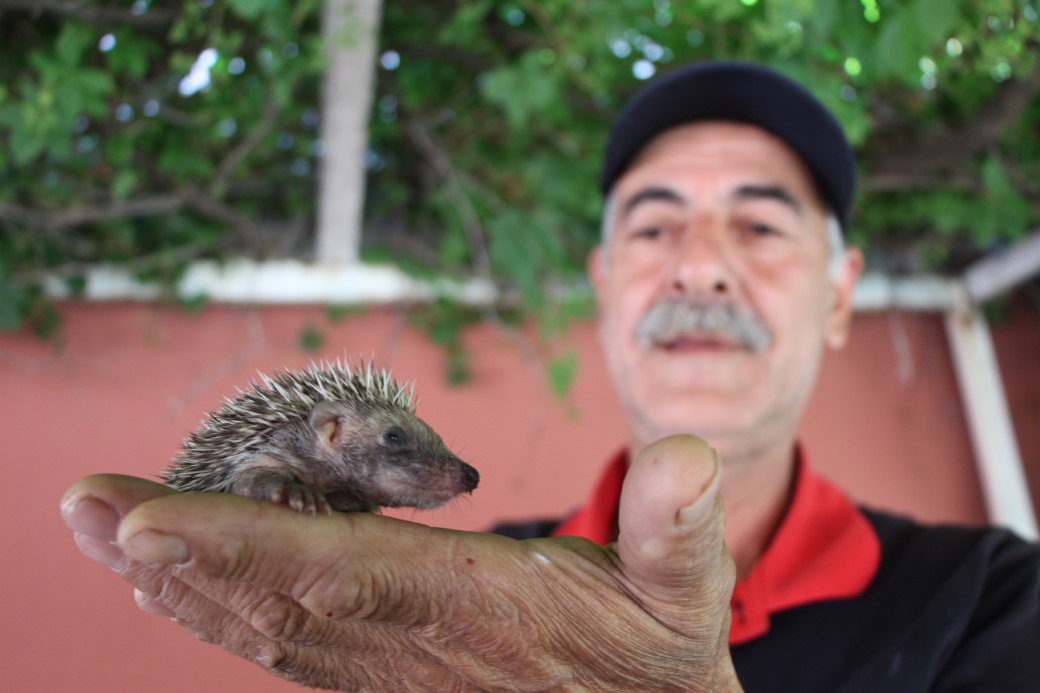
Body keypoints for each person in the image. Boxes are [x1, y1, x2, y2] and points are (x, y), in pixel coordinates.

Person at [60, 61, 1040, 691]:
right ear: (604, 287)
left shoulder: (994, 599)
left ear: (839, 297)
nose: (698, 265)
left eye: (759, 225)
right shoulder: (454, 602)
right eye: (653, 226)